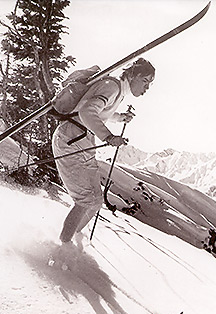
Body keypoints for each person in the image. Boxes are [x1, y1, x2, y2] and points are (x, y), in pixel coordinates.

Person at [52, 58, 155, 260]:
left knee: (95, 201)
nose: (146, 88)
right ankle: (63, 248)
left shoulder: (116, 89)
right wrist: (108, 137)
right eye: (145, 81)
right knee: (85, 200)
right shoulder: (112, 86)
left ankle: (71, 240)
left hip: (79, 140)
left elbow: (97, 109)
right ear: (133, 74)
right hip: (71, 140)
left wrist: (118, 117)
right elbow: (86, 111)